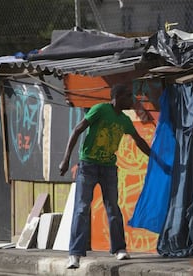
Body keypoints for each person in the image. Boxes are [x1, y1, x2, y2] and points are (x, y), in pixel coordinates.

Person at [59, 83, 151, 269]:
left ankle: (119, 249)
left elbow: (139, 141)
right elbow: (78, 129)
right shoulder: (100, 109)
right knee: (82, 209)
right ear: (117, 97)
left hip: (109, 168)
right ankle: (75, 254)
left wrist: (156, 159)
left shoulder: (125, 120)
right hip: (88, 166)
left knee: (113, 209)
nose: (131, 100)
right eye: (128, 96)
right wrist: (66, 159)